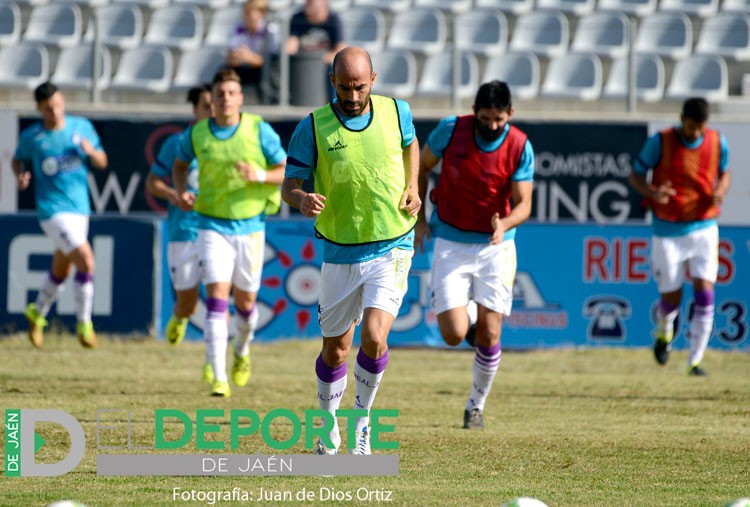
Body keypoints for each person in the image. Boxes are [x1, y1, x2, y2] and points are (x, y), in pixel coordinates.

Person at [281, 46, 421, 455]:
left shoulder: (397, 112)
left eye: (360, 87)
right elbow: (290, 184)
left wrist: (413, 186)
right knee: (335, 349)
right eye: (345, 87)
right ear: (332, 83)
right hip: (340, 251)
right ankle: (327, 425)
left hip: (393, 242)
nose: (353, 96)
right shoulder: (313, 126)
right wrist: (301, 199)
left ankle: (362, 424)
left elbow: (411, 145)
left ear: (373, 80)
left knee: (375, 338)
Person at [414, 80, 535, 430]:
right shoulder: (451, 130)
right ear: (474, 112)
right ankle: (468, 315)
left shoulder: (520, 145)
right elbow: (421, 167)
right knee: (453, 334)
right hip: (451, 242)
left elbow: (525, 204)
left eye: (499, 119)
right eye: (485, 117)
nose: (492, 125)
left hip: (496, 245)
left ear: (510, 114)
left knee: (491, 334)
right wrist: (420, 221)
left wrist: (505, 223)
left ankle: (475, 406)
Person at [172, 67, 286, 397]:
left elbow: (286, 170)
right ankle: (219, 376)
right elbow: (179, 167)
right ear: (212, 99)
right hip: (210, 225)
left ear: (241, 98)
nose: (225, 99)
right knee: (217, 301)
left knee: (247, 304)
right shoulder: (197, 134)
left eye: (231, 94)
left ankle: (242, 350)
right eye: (219, 94)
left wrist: (259, 175)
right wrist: (181, 192)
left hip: (250, 227)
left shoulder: (258, 129)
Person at [628, 97, 731, 376]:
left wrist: (720, 189)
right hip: (667, 230)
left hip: (704, 226)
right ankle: (664, 333)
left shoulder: (717, 142)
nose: (694, 133)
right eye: (689, 126)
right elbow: (635, 174)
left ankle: (695, 361)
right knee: (671, 298)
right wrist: (652, 192)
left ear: (705, 124)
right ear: (681, 119)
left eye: (699, 127)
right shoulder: (661, 141)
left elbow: (725, 173)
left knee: (705, 292)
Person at [12, 82, 109, 349]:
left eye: (56, 105)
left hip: (80, 209)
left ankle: (37, 311)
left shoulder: (81, 128)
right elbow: (17, 159)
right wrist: (20, 175)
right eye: (47, 109)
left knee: (62, 268)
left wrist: (91, 153)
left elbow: (102, 161)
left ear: (62, 101)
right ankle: (84, 323)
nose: (54, 112)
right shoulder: (33, 137)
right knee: (86, 260)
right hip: (52, 211)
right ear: (39, 109)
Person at [145, 84, 212, 351]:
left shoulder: (231, 143)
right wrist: (175, 195)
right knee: (189, 302)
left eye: (215, 103)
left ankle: (215, 366)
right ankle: (180, 316)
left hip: (217, 228)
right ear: (194, 110)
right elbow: (152, 182)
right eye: (206, 105)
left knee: (220, 298)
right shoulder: (178, 143)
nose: (213, 110)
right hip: (184, 230)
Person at [226, 0, 279, 103]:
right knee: (225, 72)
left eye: (249, 12)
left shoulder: (270, 30)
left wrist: (249, 58)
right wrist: (238, 57)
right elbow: (230, 54)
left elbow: (272, 59)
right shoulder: (238, 27)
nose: (246, 16)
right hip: (242, 66)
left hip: (263, 69)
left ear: (261, 13)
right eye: (245, 12)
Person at [286, 0, 346, 65]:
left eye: (312, 4)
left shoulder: (333, 20)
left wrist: (320, 59)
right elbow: (291, 46)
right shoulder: (298, 18)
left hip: (325, 66)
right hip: (303, 64)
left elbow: (340, 48)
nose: (308, 8)